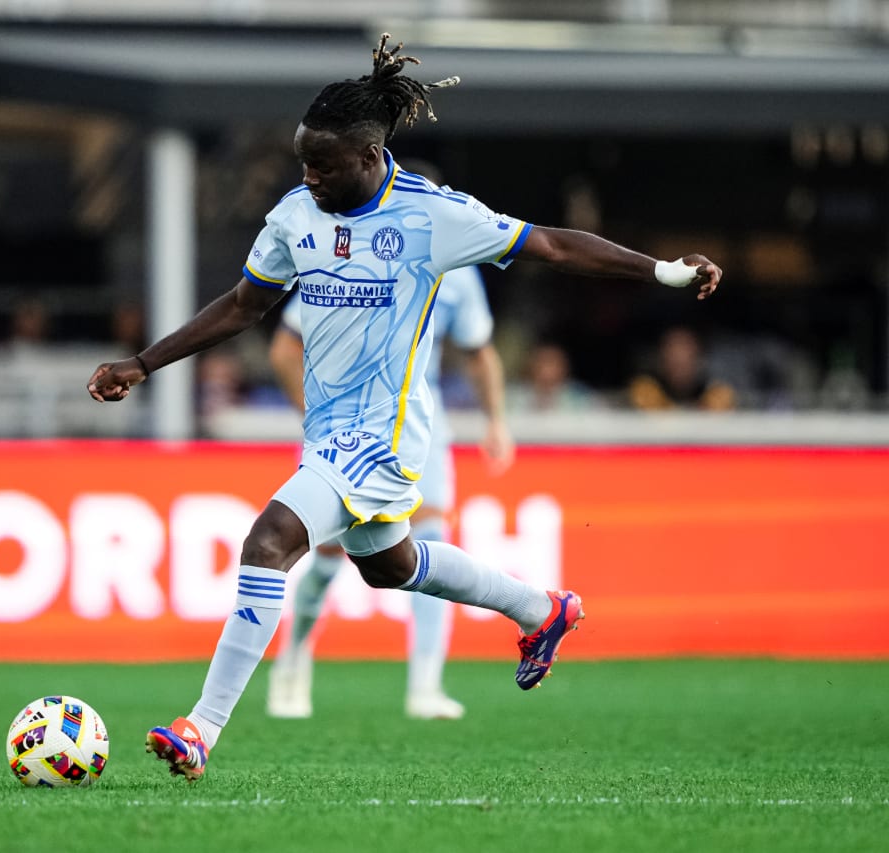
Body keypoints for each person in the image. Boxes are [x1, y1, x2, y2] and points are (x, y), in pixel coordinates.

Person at [87, 33, 720, 781]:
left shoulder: (431, 216)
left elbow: (548, 243)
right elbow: (243, 305)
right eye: (303, 161)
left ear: (368, 156)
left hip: (384, 436)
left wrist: (663, 273)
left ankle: (202, 727)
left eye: (322, 163)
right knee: (389, 566)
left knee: (269, 543)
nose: (309, 176)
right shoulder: (297, 215)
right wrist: (144, 362)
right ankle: (541, 609)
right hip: (326, 432)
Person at [265, 229, 513, 721]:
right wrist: (311, 413)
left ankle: (426, 684)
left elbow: (479, 349)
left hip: (421, 427)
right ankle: (293, 659)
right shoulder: (347, 256)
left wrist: (496, 420)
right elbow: (284, 348)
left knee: (431, 535)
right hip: (346, 425)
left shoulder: (458, 268)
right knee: (330, 557)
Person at [628, 325, 735, 411]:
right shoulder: (645, 391)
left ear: (698, 357)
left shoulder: (716, 393)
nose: (678, 358)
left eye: (684, 361)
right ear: (661, 359)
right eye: (673, 361)